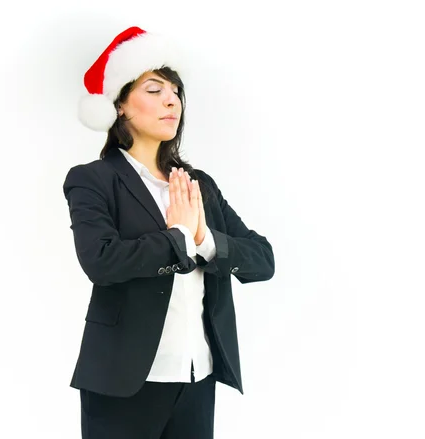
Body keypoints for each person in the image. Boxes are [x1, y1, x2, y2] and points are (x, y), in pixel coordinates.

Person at [63, 25, 275, 439]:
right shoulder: (93, 179)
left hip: (198, 374)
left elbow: (262, 260)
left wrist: (205, 241)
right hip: (124, 380)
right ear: (120, 105)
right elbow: (101, 261)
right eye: (154, 89)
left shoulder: (198, 185)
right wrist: (176, 237)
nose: (171, 100)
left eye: (175, 91)